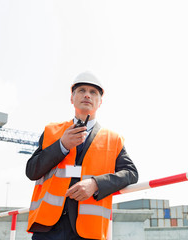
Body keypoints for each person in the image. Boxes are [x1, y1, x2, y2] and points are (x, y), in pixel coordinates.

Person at [26, 71, 139, 240]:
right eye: (82, 90)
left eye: (93, 92)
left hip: (88, 231)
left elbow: (131, 173)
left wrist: (96, 184)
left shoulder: (113, 139)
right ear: (72, 98)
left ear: (100, 102)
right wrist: (62, 146)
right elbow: (32, 171)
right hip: (47, 228)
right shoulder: (52, 132)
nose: (87, 95)